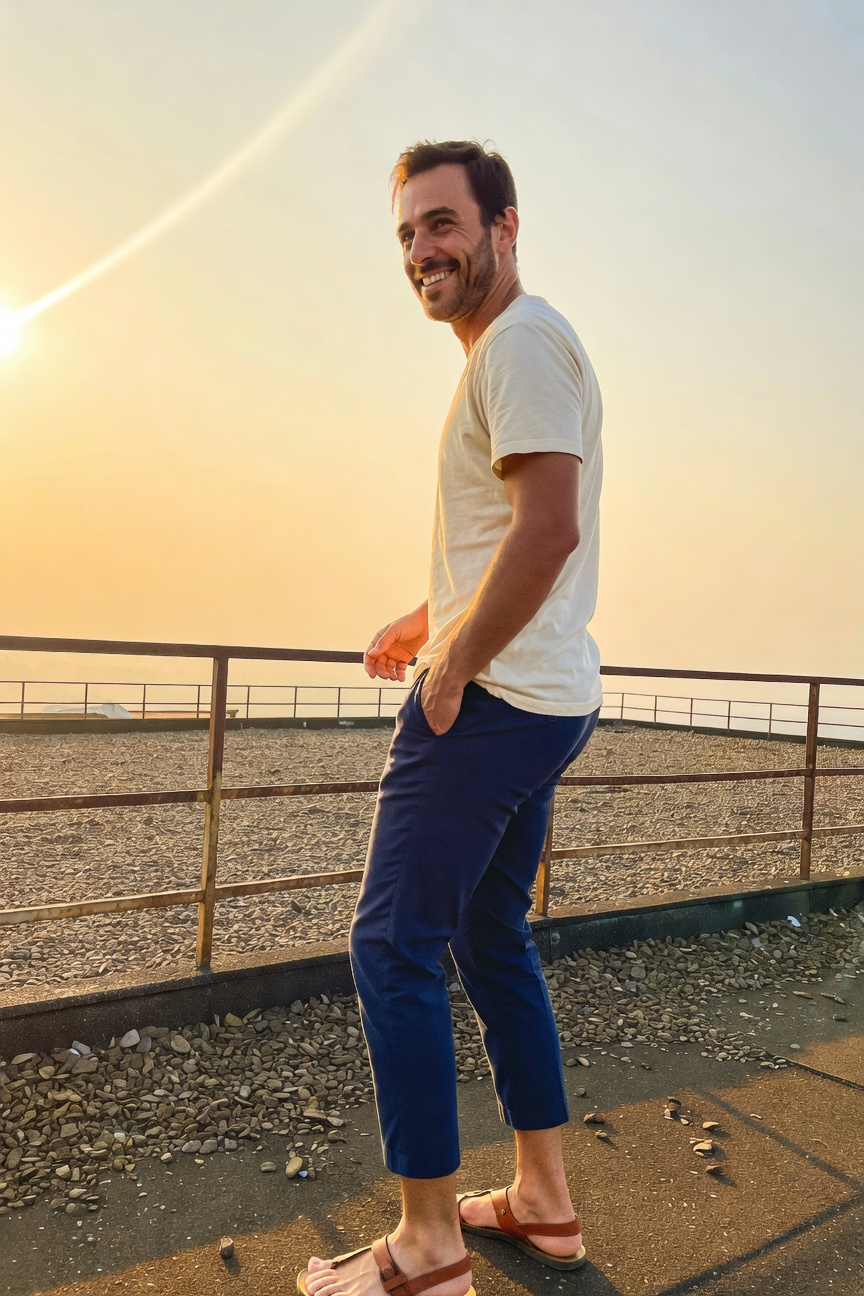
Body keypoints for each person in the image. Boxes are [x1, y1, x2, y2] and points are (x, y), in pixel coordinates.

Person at [299, 140, 603, 1296]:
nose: (423, 250)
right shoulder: (517, 349)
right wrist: (425, 619)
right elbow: (504, 537)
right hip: (547, 698)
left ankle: (427, 1248)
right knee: (490, 939)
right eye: (407, 235)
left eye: (442, 224)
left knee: (391, 948)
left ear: (504, 225)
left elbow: (548, 532)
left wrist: (450, 667)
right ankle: (542, 1202)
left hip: (492, 704)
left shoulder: (518, 343)